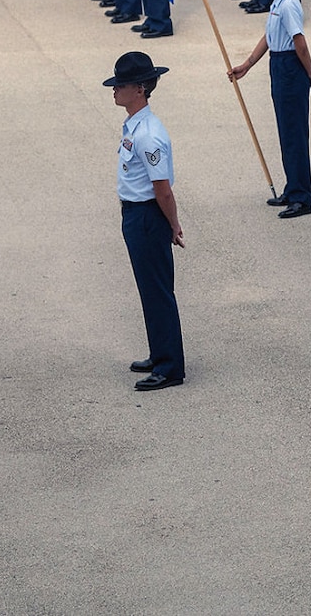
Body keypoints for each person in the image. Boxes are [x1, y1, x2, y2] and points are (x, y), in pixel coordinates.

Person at [107, 50, 185, 391]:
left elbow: (162, 189)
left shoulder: (149, 133)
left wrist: (173, 224)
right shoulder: (134, 124)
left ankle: (169, 367)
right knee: (148, 288)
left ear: (139, 88)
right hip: (135, 213)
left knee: (157, 291)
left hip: (147, 215)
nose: (114, 90)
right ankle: (160, 352)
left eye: (121, 85)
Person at [228, 0, 311, 218]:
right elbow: (269, 37)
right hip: (278, 64)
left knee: (294, 133)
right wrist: (247, 64)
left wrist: (309, 72)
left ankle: (302, 196)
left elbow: (299, 41)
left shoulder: (289, 4)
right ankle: (293, 187)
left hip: (290, 65)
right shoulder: (278, 2)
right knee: (285, 132)